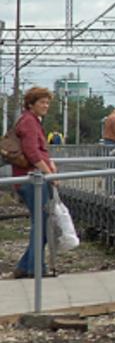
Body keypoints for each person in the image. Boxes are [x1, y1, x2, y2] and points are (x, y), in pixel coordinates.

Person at [10, 87, 58, 279]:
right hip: (32, 180)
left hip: (34, 178)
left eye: (47, 102)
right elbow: (32, 151)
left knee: (41, 223)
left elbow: (40, 150)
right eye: (42, 102)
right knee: (42, 224)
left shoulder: (32, 121)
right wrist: (49, 174)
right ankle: (35, 268)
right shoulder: (29, 122)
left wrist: (50, 164)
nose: (46, 106)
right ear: (31, 104)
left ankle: (27, 266)